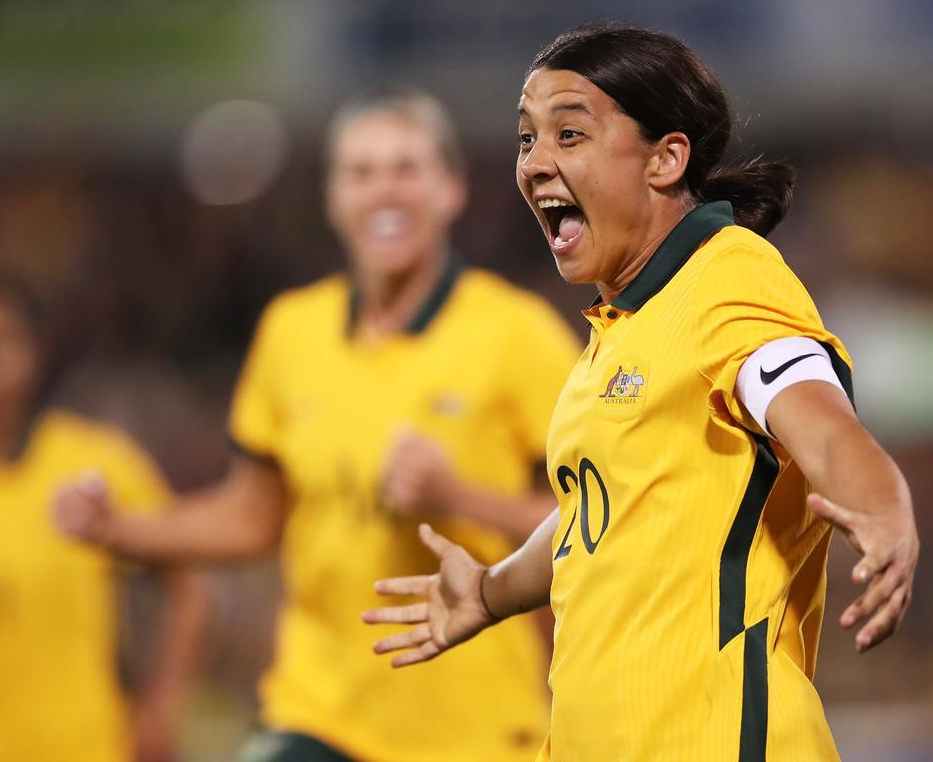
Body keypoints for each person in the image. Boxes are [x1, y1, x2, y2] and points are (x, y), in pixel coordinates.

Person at [363, 24, 920, 761]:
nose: (536, 164)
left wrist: (885, 512)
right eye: (527, 140)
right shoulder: (620, 328)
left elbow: (824, 426)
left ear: (666, 159)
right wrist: (491, 592)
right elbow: (599, 520)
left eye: (570, 134)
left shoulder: (729, 281)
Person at [54, 85, 580, 762]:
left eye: (405, 169)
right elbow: (251, 517)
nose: (383, 192)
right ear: (334, 197)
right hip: (315, 709)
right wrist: (118, 528)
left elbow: (588, 520)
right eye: (361, 172)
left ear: (450, 189)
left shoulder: (518, 335)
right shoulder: (290, 332)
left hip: (470, 725)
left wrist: (459, 498)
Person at [0, 273, 205, 762]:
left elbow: (188, 584)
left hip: (86, 747)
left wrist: (160, 708)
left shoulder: (94, 464)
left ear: (33, 354)